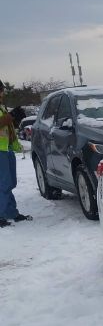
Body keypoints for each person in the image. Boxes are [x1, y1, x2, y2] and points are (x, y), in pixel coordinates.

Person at [0, 79, 31, 228]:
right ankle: (2, 214)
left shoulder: (1, 107)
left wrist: (15, 119)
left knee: (11, 182)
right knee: (3, 183)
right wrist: (11, 116)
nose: (2, 93)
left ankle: (11, 212)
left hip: (7, 149)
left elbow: (8, 128)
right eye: (1, 90)